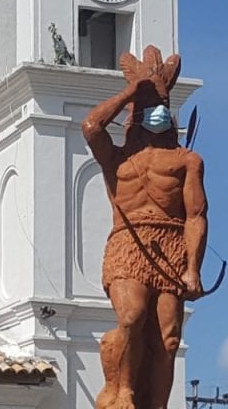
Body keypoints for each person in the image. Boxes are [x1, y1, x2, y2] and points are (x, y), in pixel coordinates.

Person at [82, 46, 209, 409]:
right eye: (149, 105)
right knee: (131, 316)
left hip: (171, 245)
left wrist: (193, 268)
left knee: (168, 340)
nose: (157, 112)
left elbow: (196, 215)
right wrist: (129, 92)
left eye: (161, 105)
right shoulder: (118, 158)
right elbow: (91, 127)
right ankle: (122, 391)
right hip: (129, 244)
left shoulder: (187, 161)